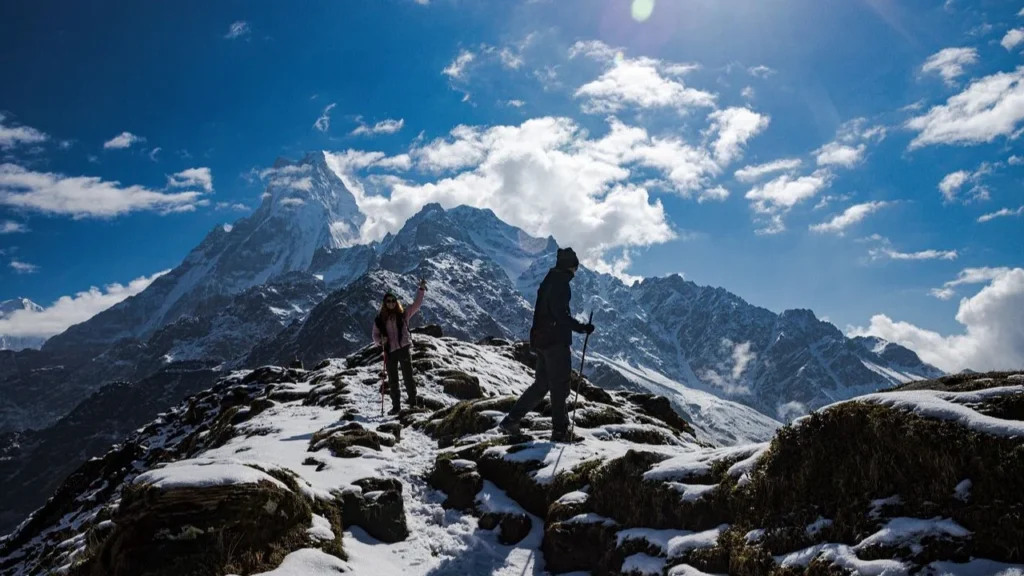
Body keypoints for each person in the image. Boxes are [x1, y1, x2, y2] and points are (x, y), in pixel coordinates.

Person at [498, 247, 594, 442]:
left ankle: (511, 420)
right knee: (560, 387)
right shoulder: (560, 284)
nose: (576, 272)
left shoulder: (549, 280)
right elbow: (561, 315)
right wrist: (582, 328)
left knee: (541, 385)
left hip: (541, 340)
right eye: (575, 268)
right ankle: (560, 431)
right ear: (571, 267)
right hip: (555, 341)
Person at [372, 279, 427, 415]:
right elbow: (374, 335)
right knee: (393, 380)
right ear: (385, 303)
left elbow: (416, 305)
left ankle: (412, 401)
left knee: (408, 376)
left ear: (396, 302)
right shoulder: (380, 319)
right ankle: (396, 406)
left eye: (393, 300)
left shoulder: (403, 314)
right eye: (388, 301)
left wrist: (421, 290)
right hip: (390, 351)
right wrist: (380, 341)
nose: (391, 303)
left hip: (403, 348)